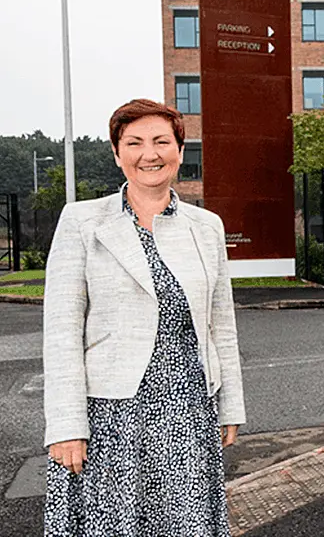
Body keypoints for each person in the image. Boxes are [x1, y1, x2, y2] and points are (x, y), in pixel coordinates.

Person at [42, 99, 246, 535]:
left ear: (179, 150)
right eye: (133, 142)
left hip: (189, 411)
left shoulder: (205, 226)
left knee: (183, 523)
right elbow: (61, 332)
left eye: (161, 141)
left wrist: (230, 405)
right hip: (109, 415)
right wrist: (65, 425)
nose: (148, 154)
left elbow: (220, 324)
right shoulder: (81, 221)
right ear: (117, 154)